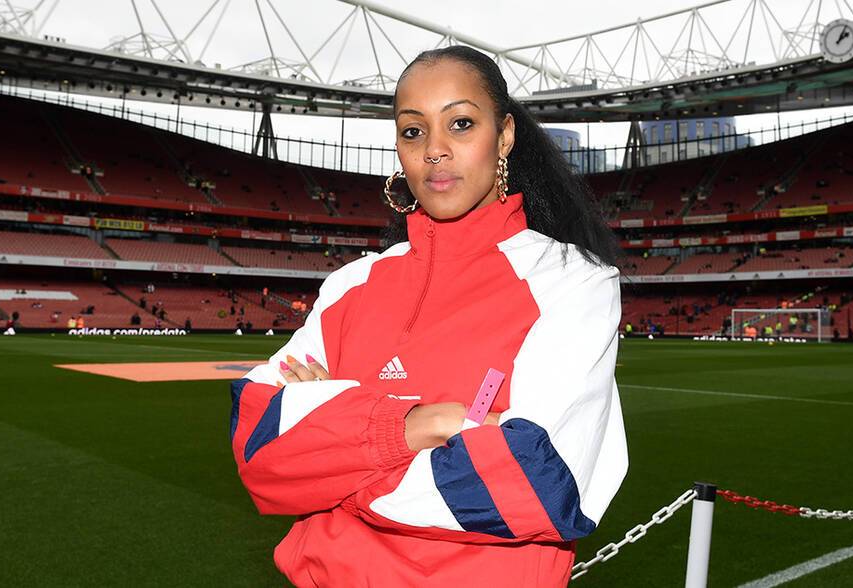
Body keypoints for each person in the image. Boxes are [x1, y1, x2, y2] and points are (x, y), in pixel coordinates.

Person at [230, 46, 626, 587]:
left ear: (505, 135)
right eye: (413, 131)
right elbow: (260, 448)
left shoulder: (572, 281)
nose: (435, 151)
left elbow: (539, 484)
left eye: (460, 124)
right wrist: (420, 426)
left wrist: (328, 453)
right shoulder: (351, 283)